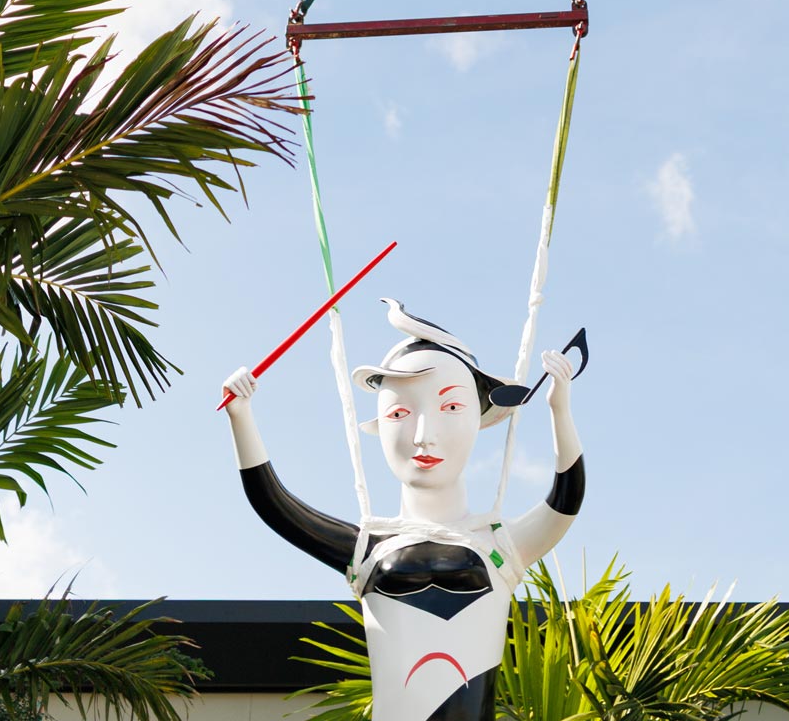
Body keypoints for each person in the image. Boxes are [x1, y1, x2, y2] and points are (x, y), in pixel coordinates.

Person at [221, 298, 584, 721]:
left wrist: (560, 409)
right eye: (400, 412)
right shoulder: (367, 549)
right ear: (380, 426)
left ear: (480, 416)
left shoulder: (500, 546)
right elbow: (276, 505)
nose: (424, 435)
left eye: (450, 407)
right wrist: (240, 416)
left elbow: (566, 498)